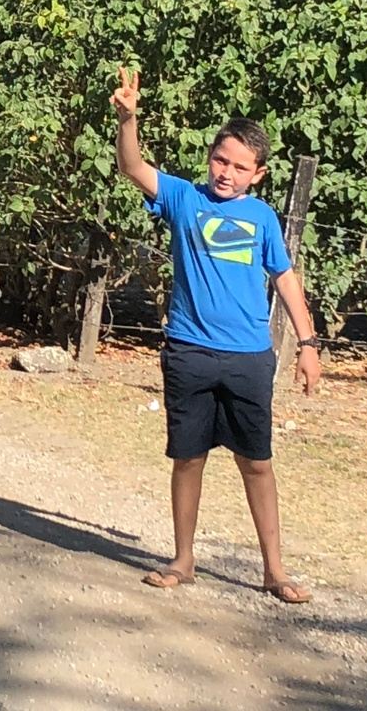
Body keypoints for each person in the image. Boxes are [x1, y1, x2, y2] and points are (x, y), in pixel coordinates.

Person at [111, 67, 320, 603]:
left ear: (259, 174)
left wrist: (308, 345)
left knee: (257, 463)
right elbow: (131, 166)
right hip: (189, 352)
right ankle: (183, 560)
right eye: (220, 160)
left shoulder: (263, 218)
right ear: (210, 158)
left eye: (240, 166)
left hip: (249, 358)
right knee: (188, 458)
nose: (227, 172)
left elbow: (285, 278)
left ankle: (274, 570)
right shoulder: (184, 198)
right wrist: (128, 119)